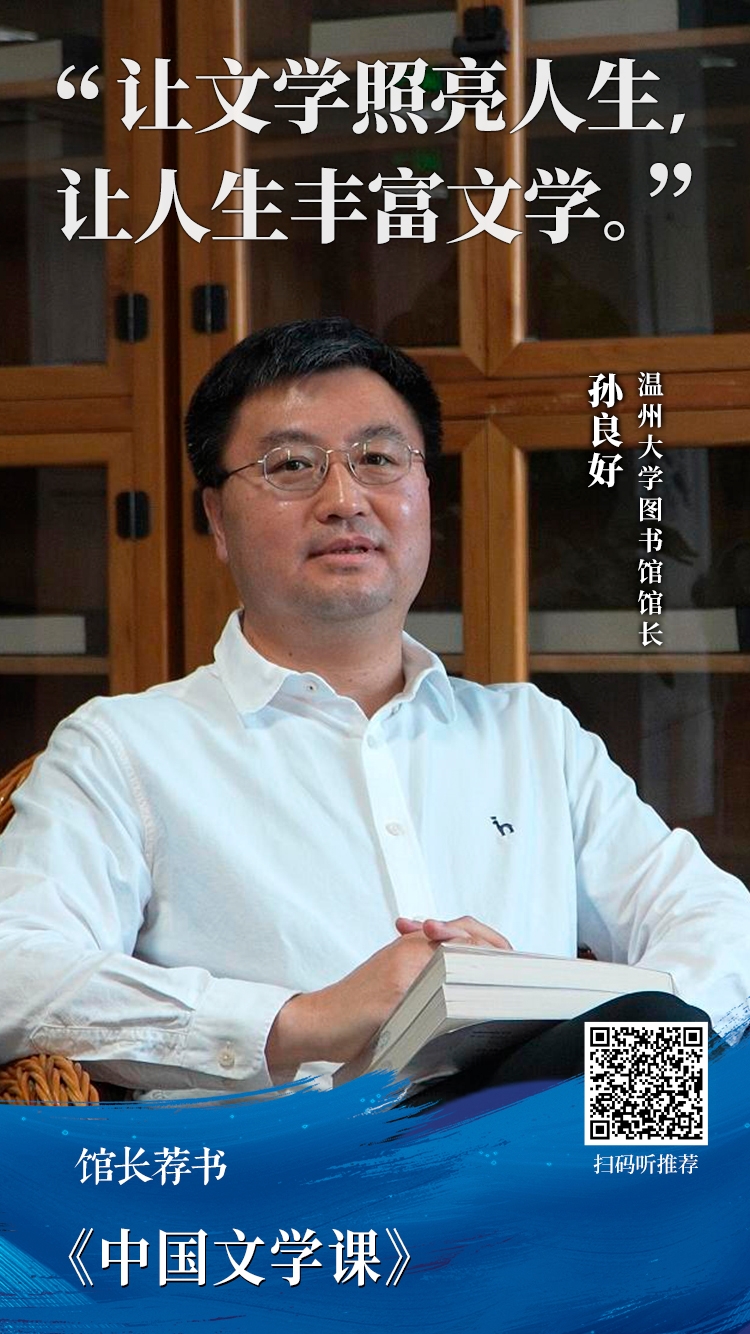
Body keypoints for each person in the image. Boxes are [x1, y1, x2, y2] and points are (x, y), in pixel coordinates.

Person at [0, 317, 748, 1100]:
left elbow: (718, 924)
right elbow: (17, 970)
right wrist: (302, 1021)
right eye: (292, 466)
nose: (344, 499)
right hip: (285, 1168)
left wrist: (590, 1035)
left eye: (380, 460)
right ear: (218, 520)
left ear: (425, 494)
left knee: (674, 1113)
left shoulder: (534, 735)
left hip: (535, 1145)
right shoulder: (123, 748)